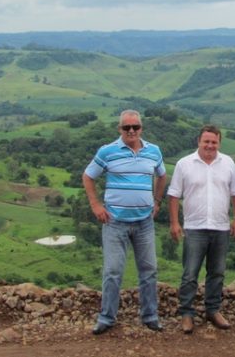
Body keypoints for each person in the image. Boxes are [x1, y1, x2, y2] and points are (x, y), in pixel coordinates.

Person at [83, 109, 168, 335]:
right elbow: (88, 176)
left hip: (144, 222)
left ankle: (150, 316)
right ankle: (107, 317)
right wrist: (95, 205)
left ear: (141, 128)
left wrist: (157, 201)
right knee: (112, 271)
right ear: (119, 129)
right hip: (115, 222)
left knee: (149, 270)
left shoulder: (153, 151)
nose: (131, 131)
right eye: (126, 127)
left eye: (135, 127)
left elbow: (162, 175)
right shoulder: (108, 151)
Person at [168, 124, 235, 334]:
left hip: (220, 227)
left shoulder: (228, 163)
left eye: (214, 142)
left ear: (219, 143)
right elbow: (173, 195)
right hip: (194, 227)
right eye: (206, 141)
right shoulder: (184, 164)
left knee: (217, 272)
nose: (210, 145)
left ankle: (213, 310)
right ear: (198, 142)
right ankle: (187, 313)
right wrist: (174, 223)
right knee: (190, 273)